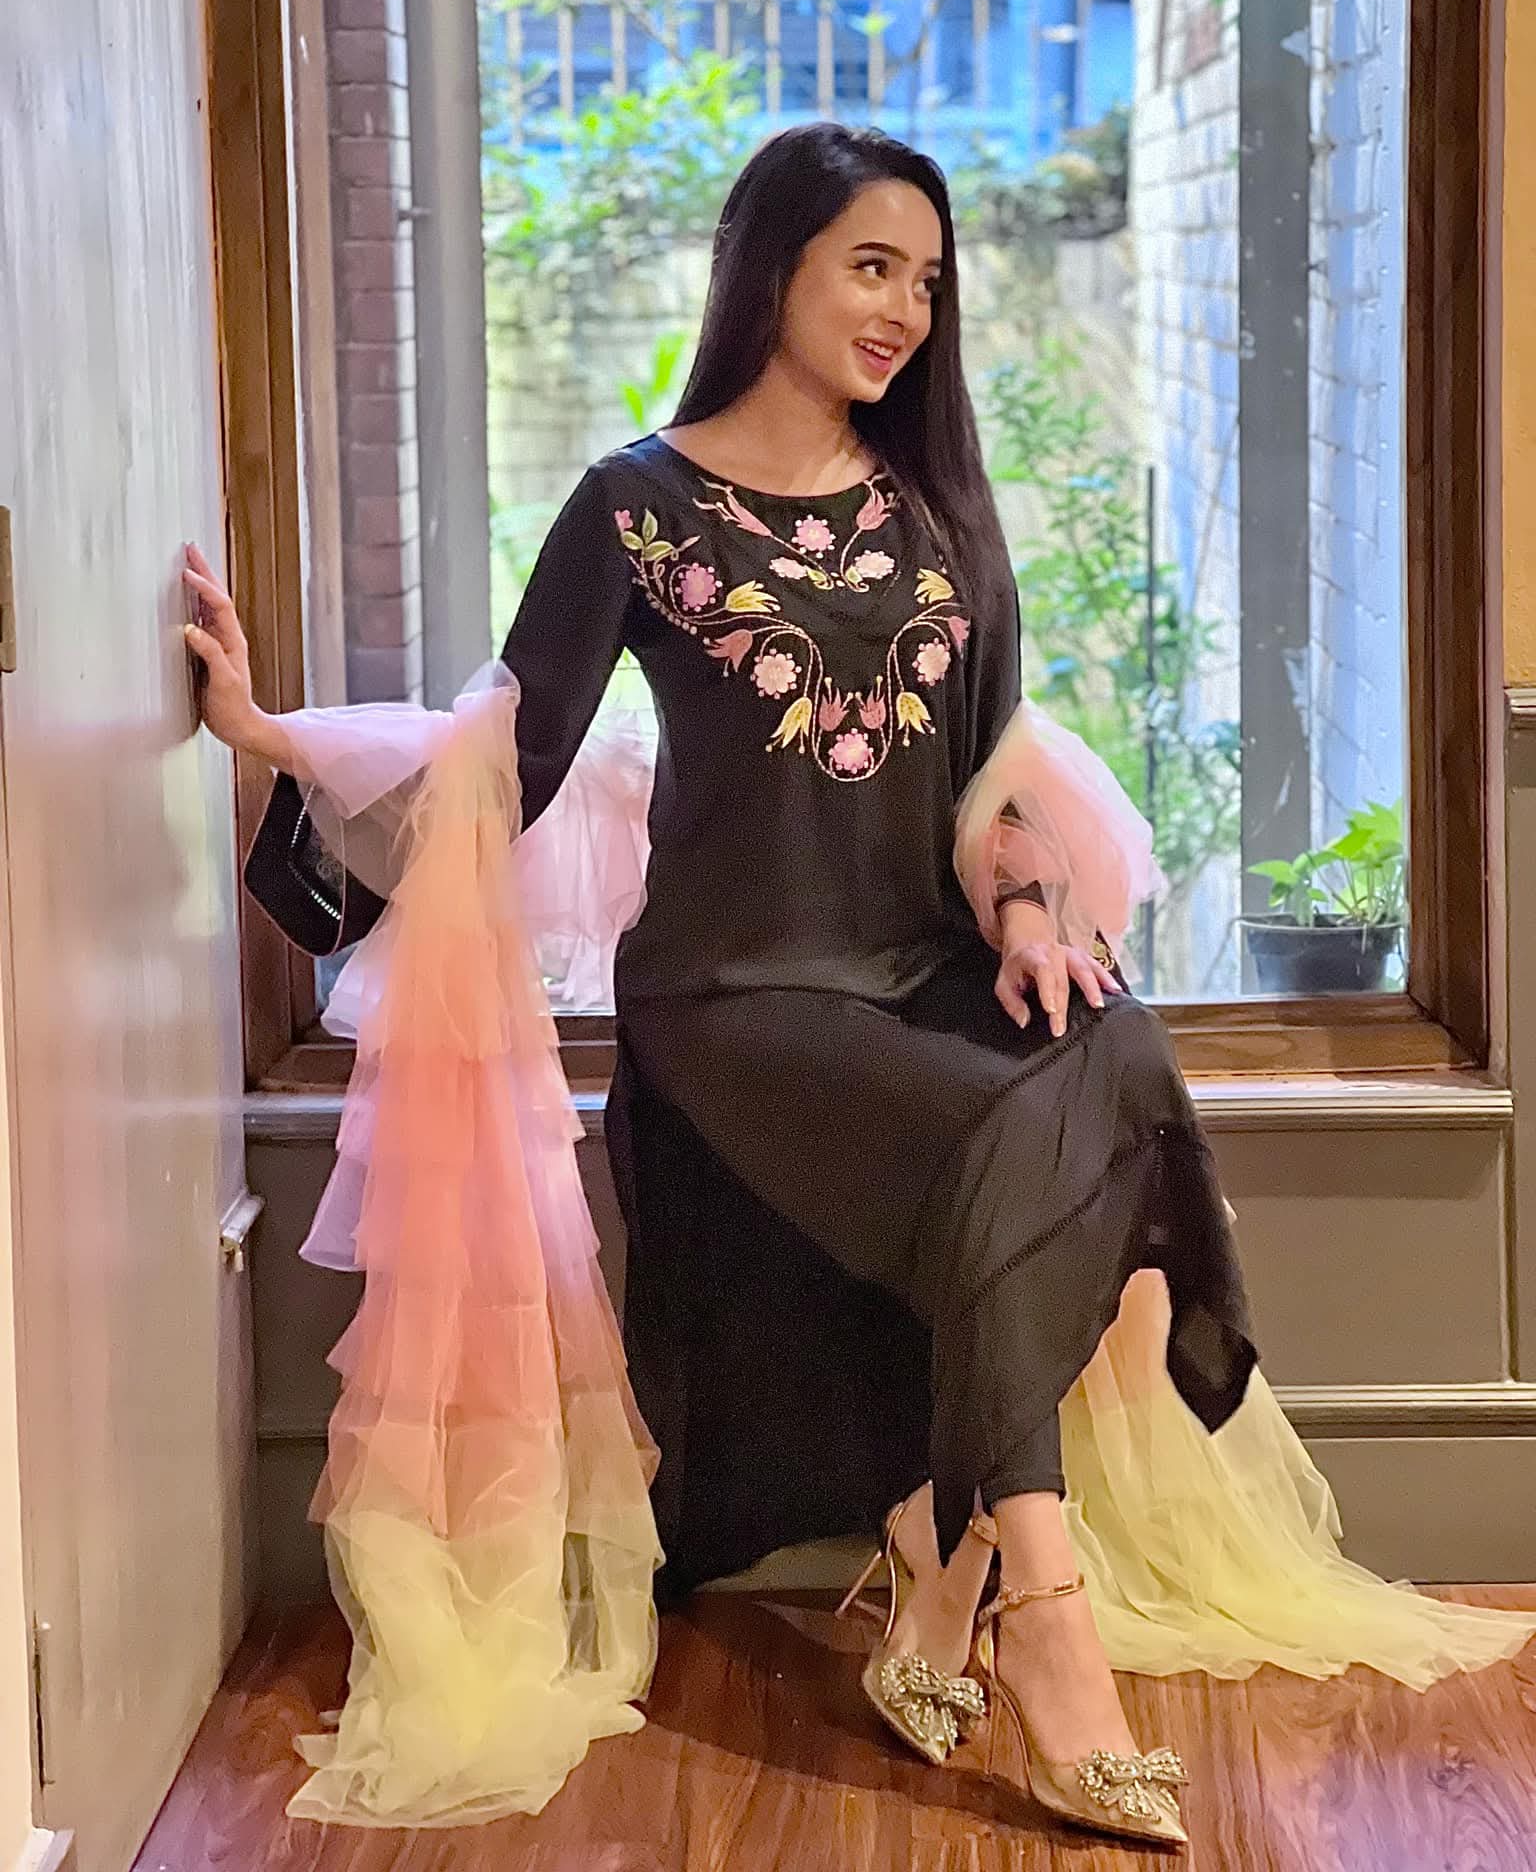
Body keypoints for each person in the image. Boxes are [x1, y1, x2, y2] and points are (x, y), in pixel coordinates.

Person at [186, 122, 1536, 1843]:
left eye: (927, 281)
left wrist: (1031, 912)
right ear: (775, 268)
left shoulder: (935, 501)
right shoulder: (635, 505)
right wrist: (268, 735)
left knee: (1115, 1050)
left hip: (919, 963)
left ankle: (937, 1547)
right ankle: (1040, 1617)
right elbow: (500, 764)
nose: (905, 310)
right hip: (738, 999)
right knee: (1004, 1139)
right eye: (872, 267)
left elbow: (991, 772)